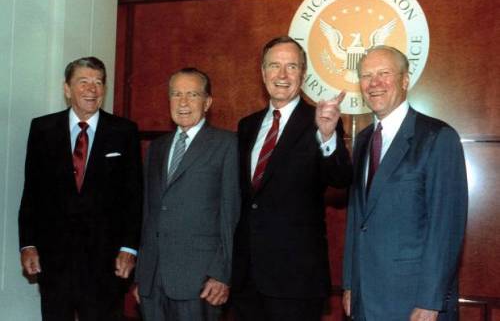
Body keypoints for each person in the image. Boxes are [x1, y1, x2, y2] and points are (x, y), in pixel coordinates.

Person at [231, 36, 352, 321]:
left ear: (303, 73)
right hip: (247, 279)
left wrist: (326, 135)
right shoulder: (247, 125)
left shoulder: (320, 120)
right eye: (274, 66)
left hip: (296, 281)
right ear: (262, 73)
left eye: (292, 67)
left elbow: (340, 177)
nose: (282, 75)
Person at [342, 46, 468, 321]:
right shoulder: (363, 140)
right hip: (365, 297)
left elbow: (445, 228)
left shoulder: (437, 138)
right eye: (366, 76)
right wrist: (351, 284)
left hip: (413, 302)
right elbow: (357, 218)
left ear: (405, 80)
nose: (374, 83)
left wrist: (430, 301)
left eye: (384, 73)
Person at [18, 56, 143, 320]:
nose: (92, 89)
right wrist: (27, 244)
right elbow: (32, 193)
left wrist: (129, 248)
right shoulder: (42, 129)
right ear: (67, 89)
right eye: (83, 82)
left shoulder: (124, 131)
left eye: (98, 82)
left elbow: (134, 196)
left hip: (106, 263)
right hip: (54, 261)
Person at [133, 67, 240, 321]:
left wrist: (221, 273)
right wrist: (142, 276)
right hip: (153, 281)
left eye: (192, 94)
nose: (182, 102)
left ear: (207, 102)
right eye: (176, 94)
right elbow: (149, 214)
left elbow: (231, 215)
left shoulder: (227, 145)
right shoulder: (156, 148)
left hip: (200, 282)